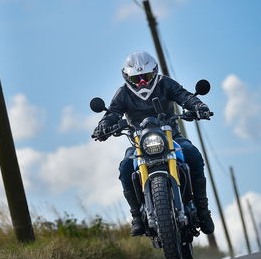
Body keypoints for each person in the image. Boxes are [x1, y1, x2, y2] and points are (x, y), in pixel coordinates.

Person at [92, 50, 215, 237]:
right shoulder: (123, 94)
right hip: (139, 144)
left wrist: (199, 107)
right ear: (127, 77)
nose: (142, 82)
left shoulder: (166, 83)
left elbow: (185, 96)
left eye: (146, 77)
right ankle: (137, 217)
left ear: (155, 72)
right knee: (125, 167)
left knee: (192, 154)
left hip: (172, 137)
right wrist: (103, 127)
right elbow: (112, 113)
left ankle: (202, 209)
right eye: (137, 78)